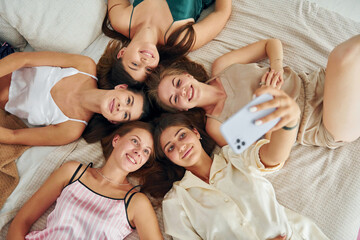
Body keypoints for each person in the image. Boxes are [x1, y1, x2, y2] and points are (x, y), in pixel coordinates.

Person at [147, 35, 360, 149]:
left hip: (319, 83)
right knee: (344, 55)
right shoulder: (215, 126)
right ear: (181, 109)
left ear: (186, 75)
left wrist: (276, 69)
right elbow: (266, 147)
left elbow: (270, 44)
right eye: (175, 99)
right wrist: (267, 99)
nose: (182, 92)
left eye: (177, 83)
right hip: (318, 123)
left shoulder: (223, 65)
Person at [146, 112, 328, 239]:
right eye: (170, 148)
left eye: (182, 135)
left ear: (195, 133)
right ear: (169, 158)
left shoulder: (234, 156)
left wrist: (290, 119)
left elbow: (271, 157)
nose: (180, 147)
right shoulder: (176, 201)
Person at [7, 121, 163, 240]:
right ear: (116, 140)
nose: (138, 152)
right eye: (135, 141)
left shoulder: (137, 203)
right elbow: (22, 220)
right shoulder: (72, 172)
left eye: (146, 151)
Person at [0, 51, 149, 146]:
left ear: (114, 121)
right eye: (128, 101)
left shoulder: (70, 130)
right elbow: (24, 59)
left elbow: (13, 136)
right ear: (121, 87)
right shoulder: (84, 66)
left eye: (125, 115)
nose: (120, 107)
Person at [102, 0, 232, 82]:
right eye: (148, 70)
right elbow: (222, 12)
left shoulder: (120, 20)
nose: (145, 62)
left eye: (134, 65)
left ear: (122, 53)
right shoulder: (182, 39)